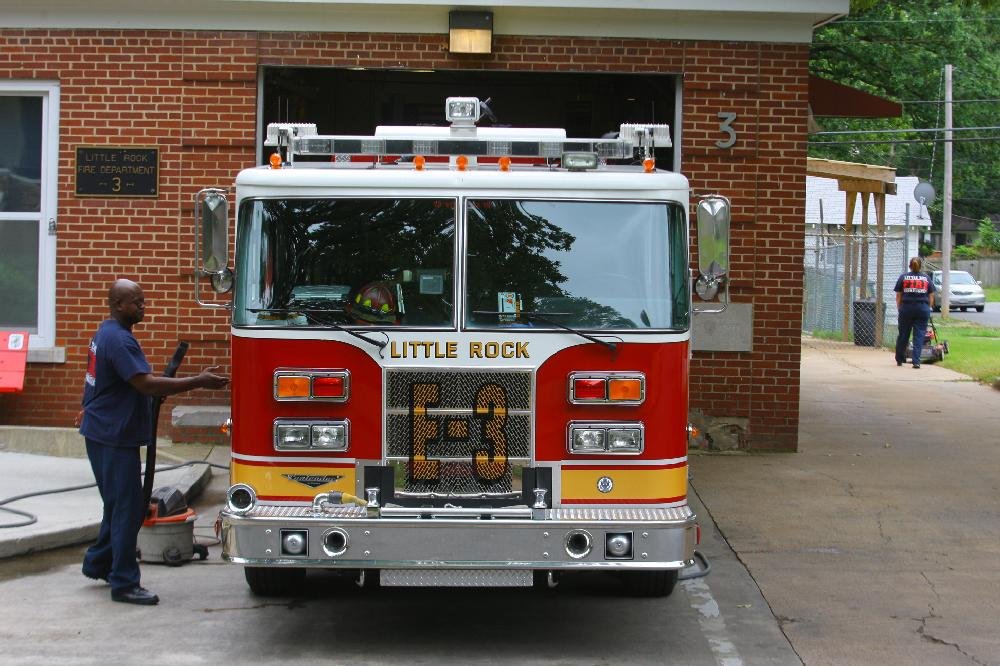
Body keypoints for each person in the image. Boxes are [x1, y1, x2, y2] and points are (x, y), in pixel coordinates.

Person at [78, 279, 229, 605]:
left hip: (102, 432)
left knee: (118, 506)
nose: (143, 307)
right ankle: (124, 583)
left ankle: (99, 563)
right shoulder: (119, 341)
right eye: (137, 302)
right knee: (127, 511)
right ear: (119, 305)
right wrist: (199, 381)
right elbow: (146, 384)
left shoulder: (106, 333)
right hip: (113, 437)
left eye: (143, 301)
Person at [893, 257, 936, 369]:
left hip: (906, 309)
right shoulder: (926, 279)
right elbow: (931, 296)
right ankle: (916, 361)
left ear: (910, 266)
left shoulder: (903, 277)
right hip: (922, 309)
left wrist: (900, 307)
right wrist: (928, 307)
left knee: (903, 335)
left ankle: (900, 359)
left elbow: (899, 295)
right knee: (919, 336)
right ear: (921, 266)